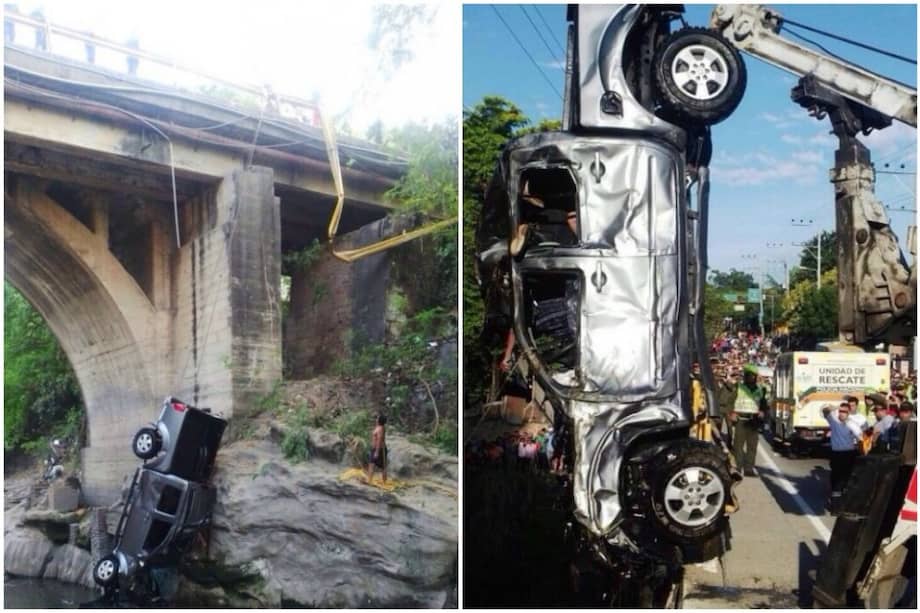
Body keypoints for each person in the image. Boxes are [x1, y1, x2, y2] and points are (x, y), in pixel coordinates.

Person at [728, 364, 769, 477]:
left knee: (752, 446)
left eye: (753, 376)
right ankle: (738, 467)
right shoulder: (738, 387)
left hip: (754, 422)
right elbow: (729, 402)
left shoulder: (761, 389)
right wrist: (732, 413)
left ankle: (749, 469)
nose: (751, 377)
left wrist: (762, 411)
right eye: (749, 375)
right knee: (738, 446)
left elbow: (764, 404)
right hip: (741, 419)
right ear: (745, 376)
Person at [822, 402, 862, 513]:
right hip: (836, 454)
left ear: (849, 413)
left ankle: (844, 504)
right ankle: (835, 506)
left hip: (849, 454)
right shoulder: (834, 421)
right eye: (841, 411)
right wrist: (835, 407)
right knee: (835, 479)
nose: (842, 414)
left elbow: (860, 438)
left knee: (846, 479)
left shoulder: (852, 424)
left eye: (845, 412)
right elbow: (825, 410)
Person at [365, 414, 388, 484]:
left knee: (378, 465)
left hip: (379, 450)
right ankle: (369, 480)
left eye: (377, 418)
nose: (376, 419)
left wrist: (377, 452)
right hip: (376, 449)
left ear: (379, 420)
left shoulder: (381, 428)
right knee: (372, 464)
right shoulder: (379, 427)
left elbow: (379, 440)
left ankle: (370, 480)